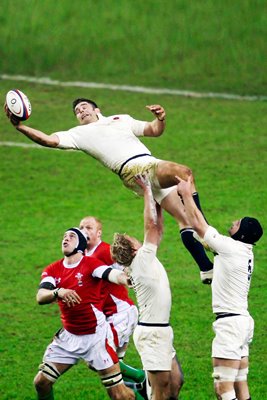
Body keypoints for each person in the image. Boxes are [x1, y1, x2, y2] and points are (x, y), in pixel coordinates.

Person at [5, 99, 213, 283]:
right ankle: (206, 231)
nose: (81, 111)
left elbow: (154, 130)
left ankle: (206, 269)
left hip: (149, 164)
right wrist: (21, 127)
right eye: (77, 111)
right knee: (184, 173)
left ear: (97, 109)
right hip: (134, 169)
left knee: (184, 219)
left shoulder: (120, 119)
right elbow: (48, 140)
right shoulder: (78, 134)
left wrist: (161, 118)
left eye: (84, 107)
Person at [176, 175, 263, 400]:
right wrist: (192, 196)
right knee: (240, 386)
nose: (233, 222)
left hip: (231, 326)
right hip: (241, 324)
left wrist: (186, 194)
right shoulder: (239, 249)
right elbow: (199, 229)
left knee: (223, 390)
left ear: (242, 232)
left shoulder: (231, 248)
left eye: (237, 223)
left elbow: (198, 224)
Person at [34, 227, 135, 400]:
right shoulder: (53, 270)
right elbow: (41, 296)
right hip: (68, 337)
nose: (65, 239)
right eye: (64, 236)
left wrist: (126, 278)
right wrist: (58, 292)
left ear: (80, 243)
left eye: (71, 236)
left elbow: (111, 274)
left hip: (96, 339)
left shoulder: (90, 264)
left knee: (120, 396)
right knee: (41, 382)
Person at [111, 174, 184, 400]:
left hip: (161, 331)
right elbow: (151, 225)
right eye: (135, 240)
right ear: (133, 249)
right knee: (161, 391)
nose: (139, 240)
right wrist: (147, 191)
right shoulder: (141, 259)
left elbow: (158, 228)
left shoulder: (143, 259)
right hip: (152, 334)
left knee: (175, 382)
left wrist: (159, 197)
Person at [79, 215, 148, 397]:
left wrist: (128, 271)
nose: (84, 230)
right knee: (113, 374)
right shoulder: (83, 257)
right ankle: (142, 390)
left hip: (120, 314)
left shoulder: (104, 251)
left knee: (99, 360)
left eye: (89, 227)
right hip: (109, 316)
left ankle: (141, 376)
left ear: (99, 233)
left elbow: (124, 267)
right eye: (81, 227)